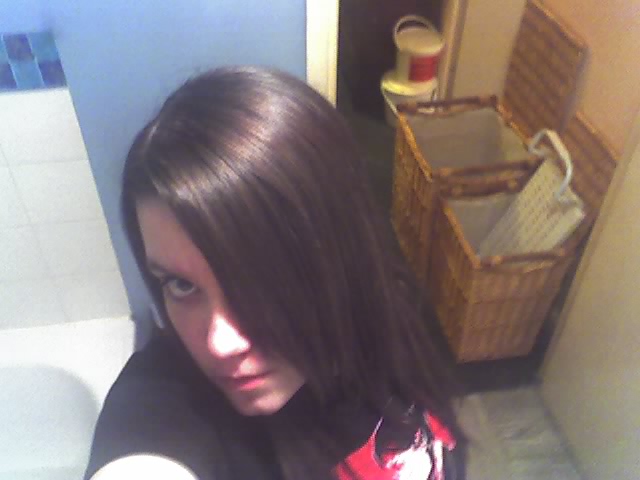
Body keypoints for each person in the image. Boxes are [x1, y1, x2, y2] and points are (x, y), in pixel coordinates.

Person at [85, 66, 466, 480]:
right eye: (181, 285)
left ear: (341, 251)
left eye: (257, 278)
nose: (220, 344)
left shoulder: (392, 302)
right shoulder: (168, 399)